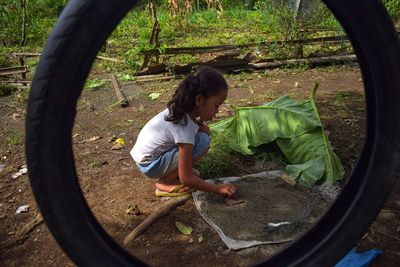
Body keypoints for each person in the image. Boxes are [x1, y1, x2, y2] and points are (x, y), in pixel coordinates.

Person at [130, 66, 237, 198]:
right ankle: (165, 182)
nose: (217, 112)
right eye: (216, 105)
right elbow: (186, 179)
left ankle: (172, 173)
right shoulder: (184, 127)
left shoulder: (180, 109)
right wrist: (217, 188)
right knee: (203, 142)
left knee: (201, 137)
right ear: (199, 100)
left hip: (146, 159)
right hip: (150, 165)